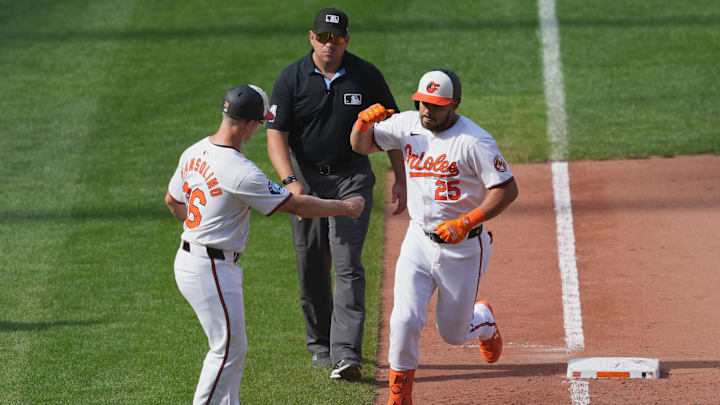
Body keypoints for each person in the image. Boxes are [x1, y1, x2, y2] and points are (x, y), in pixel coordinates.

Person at [164, 84, 365, 405]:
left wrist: (200, 227)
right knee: (226, 349)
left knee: (233, 348)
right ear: (250, 124)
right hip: (210, 267)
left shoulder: (194, 150)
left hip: (193, 259)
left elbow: (173, 201)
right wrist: (345, 207)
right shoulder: (240, 172)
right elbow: (297, 206)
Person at [350, 69, 519, 404]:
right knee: (404, 318)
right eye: (423, 102)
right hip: (418, 239)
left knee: (453, 335)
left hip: (464, 247)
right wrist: (361, 124)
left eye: (437, 105)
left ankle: (482, 319)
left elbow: (507, 189)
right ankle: (399, 397)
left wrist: (467, 220)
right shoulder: (406, 124)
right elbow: (361, 146)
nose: (428, 110)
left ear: (454, 104)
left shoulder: (474, 141)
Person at [266, 7, 406, 380]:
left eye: (338, 38)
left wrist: (401, 178)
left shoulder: (366, 75)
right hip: (306, 181)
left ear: (347, 39)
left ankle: (347, 354)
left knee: (347, 265)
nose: (330, 44)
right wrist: (288, 181)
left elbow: (392, 128)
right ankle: (321, 345)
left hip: (351, 179)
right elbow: (276, 134)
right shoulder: (291, 79)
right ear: (311, 37)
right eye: (324, 37)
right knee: (311, 264)